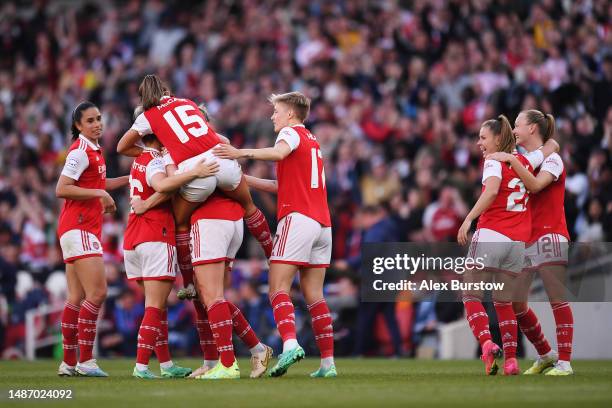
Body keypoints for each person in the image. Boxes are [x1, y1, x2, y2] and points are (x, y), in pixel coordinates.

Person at [117, 75, 273, 300]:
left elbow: (125, 149)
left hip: (200, 195)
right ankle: (271, 255)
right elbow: (225, 141)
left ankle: (188, 283)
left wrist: (150, 156)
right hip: (223, 165)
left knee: (181, 227)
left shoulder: (151, 122)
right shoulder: (187, 102)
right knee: (249, 207)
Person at [214, 91, 336, 378]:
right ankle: (328, 363)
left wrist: (240, 152)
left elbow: (279, 152)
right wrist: (243, 179)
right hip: (322, 224)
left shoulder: (291, 134)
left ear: (290, 114)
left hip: (298, 218)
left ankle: (290, 344)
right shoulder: (311, 141)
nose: (272, 116)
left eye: (277, 111)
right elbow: (280, 183)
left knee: (277, 287)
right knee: (315, 295)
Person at [133, 158, 273, 379]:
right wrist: (270, 252)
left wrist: (187, 279)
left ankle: (228, 363)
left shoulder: (174, 160)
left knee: (209, 296)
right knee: (210, 298)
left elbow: (176, 215)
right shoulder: (216, 149)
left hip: (209, 220)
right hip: (234, 221)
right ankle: (218, 360)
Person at [457, 115, 556, 376]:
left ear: (498, 139)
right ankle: (511, 361)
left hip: (492, 233)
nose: (479, 143)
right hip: (517, 243)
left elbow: (491, 191)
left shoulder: (493, 162)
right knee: (504, 302)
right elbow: (552, 146)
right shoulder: (525, 160)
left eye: (483, 137)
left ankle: (487, 344)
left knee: (470, 294)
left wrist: (468, 218)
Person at [123, 121, 218, 379]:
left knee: (156, 307)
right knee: (155, 306)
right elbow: (164, 185)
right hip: (156, 235)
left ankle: (165, 365)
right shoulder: (156, 161)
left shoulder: (139, 159)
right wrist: (195, 172)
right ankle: (141, 366)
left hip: (133, 237)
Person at [486, 110, 573, 376]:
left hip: (551, 234)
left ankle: (565, 363)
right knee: (515, 303)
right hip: (525, 238)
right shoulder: (531, 158)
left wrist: (511, 160)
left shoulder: (553, 160)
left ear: (533, 128)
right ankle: (546, 354)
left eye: (517, 124)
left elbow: (535, 186)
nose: (513, 129)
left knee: (556, 299)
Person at [55, 101, 129, 377]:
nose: (97, 123)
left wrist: (128, 178)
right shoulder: (81, 151)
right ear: (78, 126)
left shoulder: (94, 152)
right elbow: (62, 188)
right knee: (97, 293)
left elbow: (97, 183)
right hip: (80, 227)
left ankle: (69, 363)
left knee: (75, 297)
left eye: (99, 118)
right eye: (90, 120)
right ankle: (86, 361)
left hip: (75, 229)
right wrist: (99, 195)